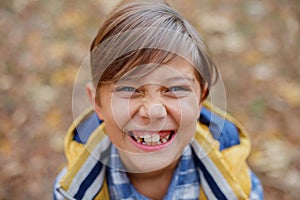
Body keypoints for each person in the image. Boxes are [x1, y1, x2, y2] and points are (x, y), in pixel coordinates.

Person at [53, 0, 263, 199]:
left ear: (200, 100)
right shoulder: (73, 190)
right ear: (97, 103)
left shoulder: (237, 186)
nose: (154, 111)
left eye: (175, 88)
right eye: (129, 88)